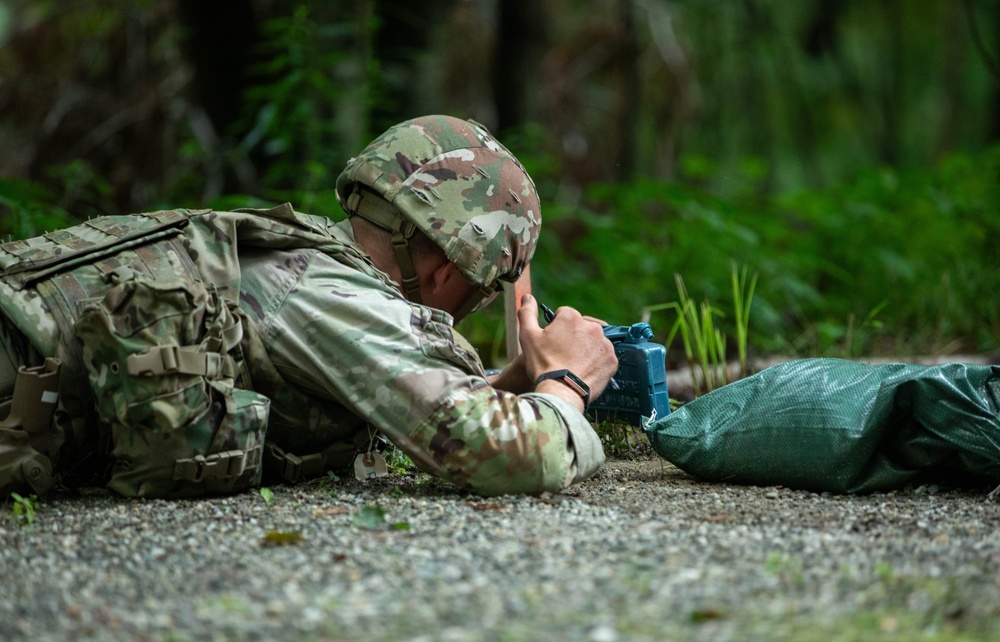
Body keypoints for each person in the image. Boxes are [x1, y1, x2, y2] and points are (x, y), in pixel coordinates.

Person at [0, 115, 619, 499]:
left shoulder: (301, 257)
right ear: (445, 273)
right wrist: (567, 383)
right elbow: (510, 456)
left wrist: (501, 385)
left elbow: (369, 380)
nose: (477, 305)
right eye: (482, 293)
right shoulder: (335, 296)